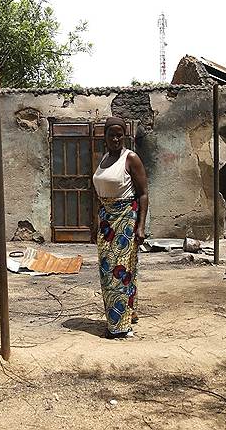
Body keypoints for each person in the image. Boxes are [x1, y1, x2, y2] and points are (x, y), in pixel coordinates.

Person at [91, 116, 149, 339]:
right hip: (106, 221)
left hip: (125, 221)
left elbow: (143, 193)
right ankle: (128, 313)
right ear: (104, 137)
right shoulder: (104, 158)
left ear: (124, 136)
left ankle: (119, 326)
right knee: (107, 271)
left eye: (119, 134)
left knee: (120, 273)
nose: (115, 138)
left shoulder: (130, 158)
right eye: (111, 135)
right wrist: (96, 223)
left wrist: (141, 226)